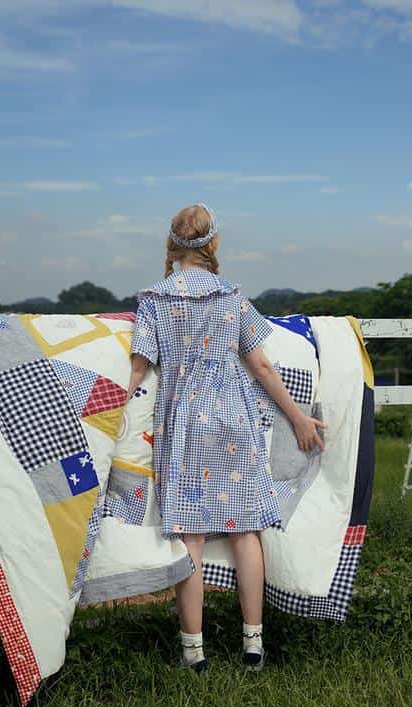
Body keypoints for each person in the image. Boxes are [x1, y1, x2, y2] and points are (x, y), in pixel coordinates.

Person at [127, 203, 326, 673]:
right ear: (212, 243)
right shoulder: (231, 296)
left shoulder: (155, 301)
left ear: (173, 245)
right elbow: (260, 364)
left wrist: (111, 418)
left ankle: (193, 653)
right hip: (233, 419)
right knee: (244, 531)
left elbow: (139, 367)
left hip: (185, 425)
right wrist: (297, 416)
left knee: (191, 536)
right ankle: (253, 644)